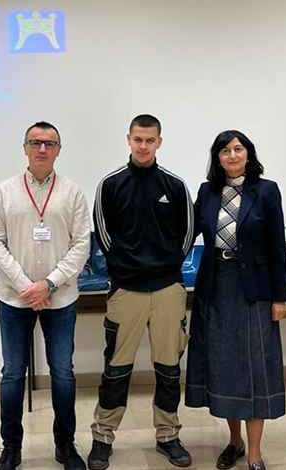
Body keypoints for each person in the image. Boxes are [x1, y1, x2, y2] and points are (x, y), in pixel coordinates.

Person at [88, 114, 195, 469]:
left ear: (159, 142)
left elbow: (188, 233)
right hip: (126, 291)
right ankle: (103, 437)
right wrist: (125, 269)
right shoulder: (111, 184)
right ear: (129, 140)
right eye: (138, 139)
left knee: (169, 368)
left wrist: (167, 267)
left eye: (150, 140)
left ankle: (168, 436)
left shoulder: (175, 185)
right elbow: (102, 233)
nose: (144, 146)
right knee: (116, 368)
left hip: (168, 290)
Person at [0, 121, 91, 470]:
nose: (42, 149)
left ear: (59, 150)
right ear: (25, 148)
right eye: (35, 142)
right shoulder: (4, 192)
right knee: (13, 374)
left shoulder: (73, 193)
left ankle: (65, 445)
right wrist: (25, 286)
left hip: (60, 299)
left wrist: (49, 284)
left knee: (63, 372)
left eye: (49, 143)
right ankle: (11, 447)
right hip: (14, 299)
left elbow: (81, 245)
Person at [185, 130, 286, 470]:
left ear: (248, 153)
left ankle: (255, 454)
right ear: (217, 158)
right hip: (216, 288)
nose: (232, 155)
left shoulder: (266, 190)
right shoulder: (207, 191)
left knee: (255, 369)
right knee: (224, 366)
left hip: (254, 291)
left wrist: (280, 297)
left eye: (238, 149)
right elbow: (186, 232)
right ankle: (235, 442)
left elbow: (276, 247)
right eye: (225, 150)